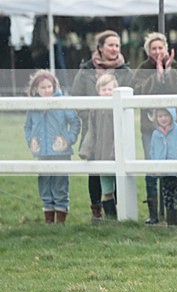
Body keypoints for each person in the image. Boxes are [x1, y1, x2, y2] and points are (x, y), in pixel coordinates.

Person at [71, 30, 134, 222]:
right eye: (111, 45)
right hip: (94, 128)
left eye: (117, 45)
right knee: (95, 169)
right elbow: (77, 97)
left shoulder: (125, 72)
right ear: (100, 48)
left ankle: (118, 209)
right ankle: (96, 210)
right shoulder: (86, 70)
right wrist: (90, 116)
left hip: (117, 128)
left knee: (118, 167)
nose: (114, 49)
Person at [133, 32, 177, 222]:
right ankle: (153, 213)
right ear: (148, 50)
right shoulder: (142, 69)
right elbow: (138, 92)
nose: (157, 52)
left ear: (166, 48)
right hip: (151, 127)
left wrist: (167, 73)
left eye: (160, 48)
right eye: (153, 48)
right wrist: (156, 76)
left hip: (175, 127)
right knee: (152, 166)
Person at [24, 70, 81, 224]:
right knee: (45, 181)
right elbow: (27, 126)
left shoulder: (62, 103)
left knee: (60, 182)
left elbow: (75, 122)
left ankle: (61, 218)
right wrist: (31, 141)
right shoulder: (33, 106)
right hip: (42, 151)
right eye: (43, 88)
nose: (47, 90)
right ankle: (48, 217)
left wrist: (68, 140)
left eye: (50, 86)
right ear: (36, 89)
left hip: (60, 152)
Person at [78, 74, 120, 220]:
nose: (107, 92)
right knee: (107, 187)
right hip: (101, 154)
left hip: (116, 153)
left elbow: (120, 132)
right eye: (104, 89)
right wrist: (86, 151)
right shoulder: (94, 109)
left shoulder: (118, 109)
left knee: (119, 185)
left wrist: (117, 150)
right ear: (98, 91)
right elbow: (92, 132)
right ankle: (110, 216)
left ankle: (123, 216)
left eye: (110, 89)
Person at [150, 108, 177, 226]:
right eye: (160, 116)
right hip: (165, 172)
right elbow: (153, 151)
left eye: (166, 115)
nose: (163, 119)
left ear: (172, 116)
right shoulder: (156, 134)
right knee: (168, 197)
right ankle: (171, 223)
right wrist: (155, 167)